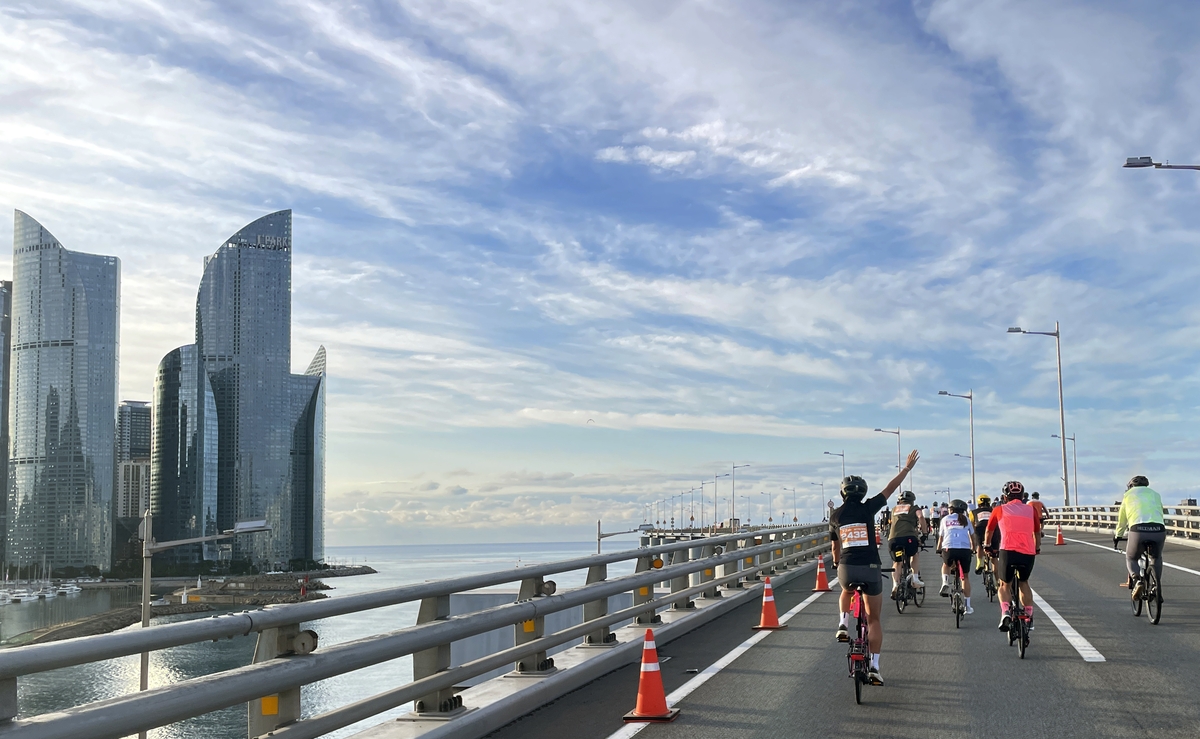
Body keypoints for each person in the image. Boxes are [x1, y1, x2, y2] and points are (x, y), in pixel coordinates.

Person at [830, 449, 921, 686]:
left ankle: (843, 624)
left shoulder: (835, 516)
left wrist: (836, 562)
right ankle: (874, 667)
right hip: (870, 567)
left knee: (846, 590)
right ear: (863, 492)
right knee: (874, 620)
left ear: (842, 493)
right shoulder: (868, 508)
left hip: (847, 567)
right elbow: (890, 489)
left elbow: (835, 548)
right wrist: (906, 469)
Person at [984, 481, 1042, 632]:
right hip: (1027, 552)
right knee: (1024, 582)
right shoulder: (1031, 510)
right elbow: (1037, 533)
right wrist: (1036, 548)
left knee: (1004, 584)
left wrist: (987, 545)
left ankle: (1005, 612)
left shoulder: (999, 509)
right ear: (1022, 496)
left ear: (1005, 497)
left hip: (1008, 551)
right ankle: (1028, 616)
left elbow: (989, 531)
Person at [1114, 475, 1166, 599]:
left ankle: (1137, 580)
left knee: (1131, 558)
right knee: (1156, 557)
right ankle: (1156, 585)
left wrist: (1118, 536)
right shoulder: (1155, 494)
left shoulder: (1128, 496)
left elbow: (1122, 521)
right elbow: (1160, 512)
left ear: (1131, 486)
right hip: (1159, 529)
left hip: (1138, 530)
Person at [938, 499, 977, 614]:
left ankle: (945, 582)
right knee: (965, 577)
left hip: (949, 548)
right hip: (964, 549)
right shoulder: (966, 519)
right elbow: (972, 536)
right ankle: (967, 606)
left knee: (946, 564)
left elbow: (941, 536)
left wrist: (938, 548)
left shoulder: (945, 519)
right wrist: (973, 548)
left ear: (951, 509)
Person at [887, 490, 927, 596]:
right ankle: (915, 579)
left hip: (894, 540)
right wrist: (924, 534)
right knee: (914, 554)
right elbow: (921, 517)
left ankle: (895, 585)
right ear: (912, 501)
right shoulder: (914, 508)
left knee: (897, 562)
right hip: (908, 539)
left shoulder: (894, 509)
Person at [970, 495, 995, 574]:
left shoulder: (973, 512)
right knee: (994, 553)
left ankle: (979, 563)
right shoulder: (993, 510)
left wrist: (974, 537)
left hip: (979, 529)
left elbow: (972, 525)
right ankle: (997, 576)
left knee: (979, 546)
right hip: (992, 530)